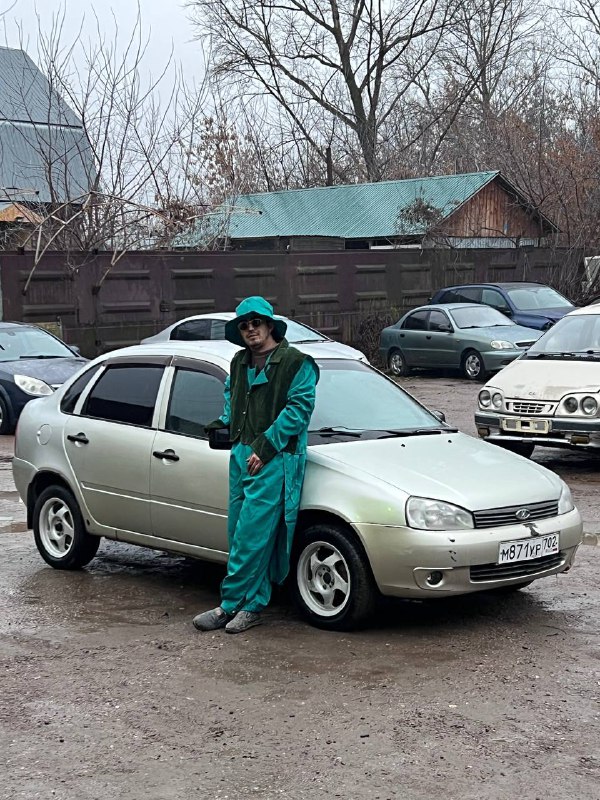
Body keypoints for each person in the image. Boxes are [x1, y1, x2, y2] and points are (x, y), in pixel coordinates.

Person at [193, 296, 319, 634]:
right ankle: (252, 605)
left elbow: (298, 411)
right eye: (244, 325)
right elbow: (231, 396)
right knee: (239, 533)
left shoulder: (297, 363)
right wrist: (224, 426)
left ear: (269, 325)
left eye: (256, 323)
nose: (251, 329)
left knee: (253, 536)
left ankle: (228, 605)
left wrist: (264, 447)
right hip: (240, 455)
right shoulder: (239, 361)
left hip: (274, 458)